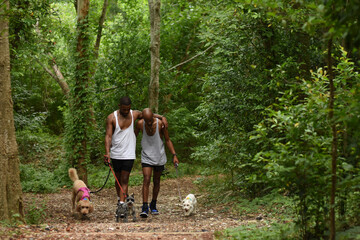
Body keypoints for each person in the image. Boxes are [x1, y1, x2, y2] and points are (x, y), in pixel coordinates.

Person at [104, 96, 167, 206]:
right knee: (118, 179)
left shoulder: (134, 114)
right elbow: (108, 136)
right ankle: (121, 198)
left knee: (124, 179)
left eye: (128, 109)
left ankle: (122, 204)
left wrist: (162, 117)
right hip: (115, 153)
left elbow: (149, 115)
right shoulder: (111, 118)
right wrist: (107, 153)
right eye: (124, 109)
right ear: (119, 106)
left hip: (129, 154)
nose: (126, 111)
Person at [135, 108, 179, 218]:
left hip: (159, 156)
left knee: (157, 180)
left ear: (153, 117)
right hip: (146, 156)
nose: (149, 123)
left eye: (150, 120)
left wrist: (174, 155)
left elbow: (168, 140)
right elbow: (133, 137)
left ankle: (153, 204)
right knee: (146, 179)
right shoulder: (140, 124)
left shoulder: (160, 124)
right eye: (147, 121)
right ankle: (144, 207)